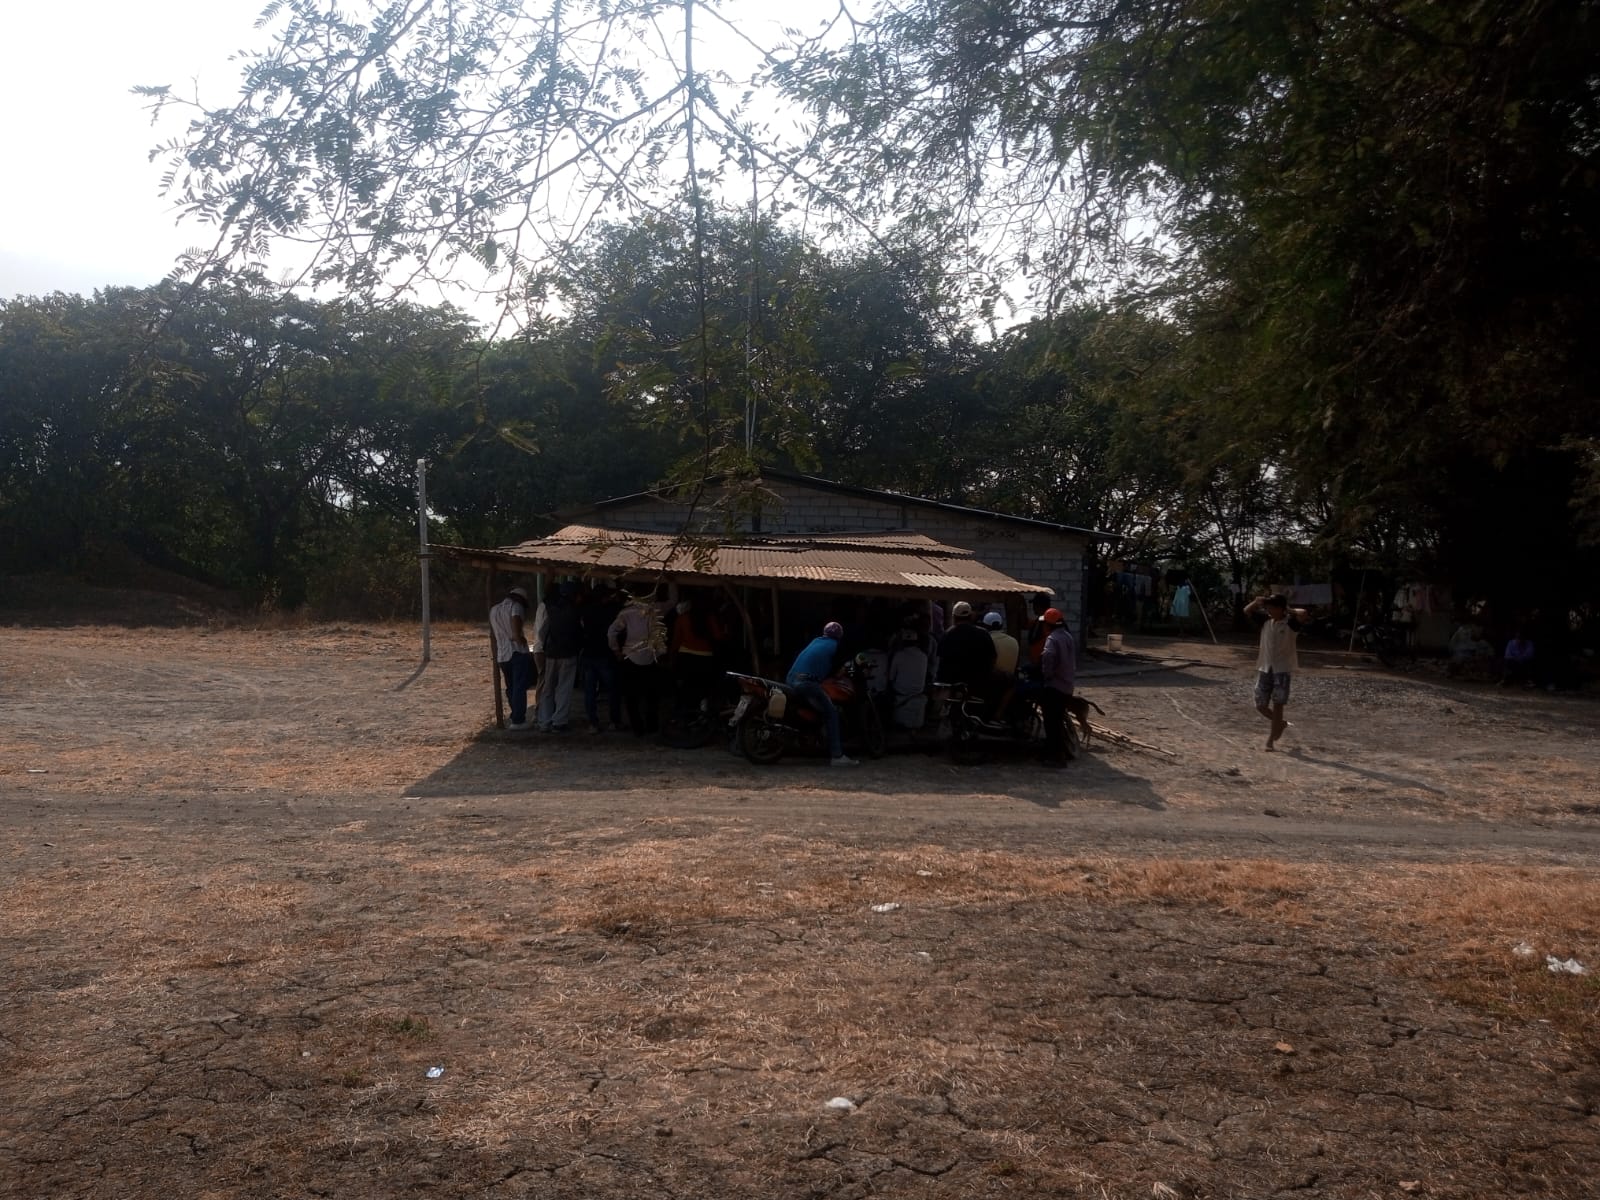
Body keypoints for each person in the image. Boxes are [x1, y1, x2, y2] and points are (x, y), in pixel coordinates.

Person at [786, 621, 857, 767]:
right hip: (806, 682)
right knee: (831, 713)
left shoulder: (816, 641)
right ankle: (837, 756)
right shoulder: (835, 646)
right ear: (840, 636)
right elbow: (837, 672)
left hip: (791, 679)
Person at [1244, 593, 1309, 750]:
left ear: (1281, 609)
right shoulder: (1266, 621)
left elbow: (1303, 613)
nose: (1269, 611)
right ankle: (1280, 723)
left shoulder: (1290, 624)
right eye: (1268, 608)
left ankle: (1270, 740)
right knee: (1260, 705)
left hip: (1282, 669)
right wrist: (1256, 602)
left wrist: (1288, 609)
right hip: (1265, 667)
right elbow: (1247, 610)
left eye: (1273, 608)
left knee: (1278, 704)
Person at [609, 590, 665, 736]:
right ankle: (652, 726)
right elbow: (673, 601)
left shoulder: (627, 612)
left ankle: (637, 728)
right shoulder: (656, 610)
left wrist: (616, 651)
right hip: (651, 657)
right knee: (651, 696)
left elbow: (611, 632)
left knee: (631, 697)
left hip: (631, 657)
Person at [532, 582, 583, 732]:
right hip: (568, 654)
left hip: (551, 654)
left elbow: (542, 632)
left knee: (548, 689)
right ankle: (559, 722)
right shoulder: (575, 610)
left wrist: (546, 646)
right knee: (564, 688)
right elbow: (580, 633)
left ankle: (544, 722)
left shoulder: (551, 608)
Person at [579, 583, 624, 733]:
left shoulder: (586, 610)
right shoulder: (611, 610)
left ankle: (593, 723)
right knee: (613, 690)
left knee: (590, 692)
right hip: (606, 655)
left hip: (588, 654)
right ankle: (614, 721)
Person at [489, 584, 534, 730]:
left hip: (502, 655)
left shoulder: (494, 609)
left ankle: (515, 714)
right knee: (520, 687)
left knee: (511, 687)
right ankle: (518, 720)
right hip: (516, 652)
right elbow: (515, 630)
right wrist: (520, 639)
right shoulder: (516, 607)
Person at [1037, 607, 1076, 765]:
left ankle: (1056, 757)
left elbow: (1048, 656)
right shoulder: (1067, 636)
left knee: (1051, 723)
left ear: (1048, 624)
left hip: (1055, 686)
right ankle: (1057, 752)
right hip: (1067, 685)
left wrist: (1046, 674)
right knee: (1058, 722)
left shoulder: (1052, 639)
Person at [937, 600, 998, 692]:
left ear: (954, 617)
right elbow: (993, 658)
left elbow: (940, 661)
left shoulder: (947, 635)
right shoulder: (983, 634)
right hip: (979, 685)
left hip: (952, 685)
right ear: (971, 616)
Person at [983, 609, 1021, 720]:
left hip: (991, 682)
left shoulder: (987, 640)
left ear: (986, 626)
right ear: (1001, 625)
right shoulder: (1013, 641)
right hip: (1009, 683)